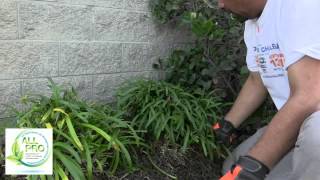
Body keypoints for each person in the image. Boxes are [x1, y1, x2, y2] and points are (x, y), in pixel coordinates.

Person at [212, 0, 320, 179]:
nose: (221, 5)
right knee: (232, 165)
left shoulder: (300, 6)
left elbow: (311, 95)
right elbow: (257, 80)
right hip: (302, 122)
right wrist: (226, 125)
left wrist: (254, 165)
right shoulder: (254, 24)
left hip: (314, 119)